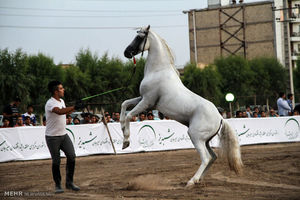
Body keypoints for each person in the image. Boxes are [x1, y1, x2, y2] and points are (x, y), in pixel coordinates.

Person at [45, 80, 83, 193]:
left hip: (63, 135)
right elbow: (60, 112)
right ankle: (58, 185)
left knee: (71, 156)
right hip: (52, 137)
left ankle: (69, 183)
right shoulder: (50, 103)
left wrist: (75, 108)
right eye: (61, 88)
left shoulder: (62, 101)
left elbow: (65, 112)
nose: (63, 90)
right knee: (56, 161)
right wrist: (75, 107)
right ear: (55, 91)